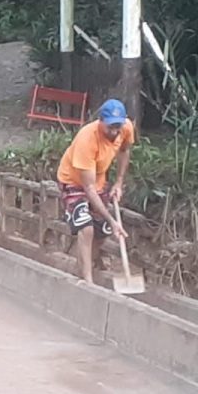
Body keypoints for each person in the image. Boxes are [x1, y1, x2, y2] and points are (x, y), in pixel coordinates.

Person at [56, 98, 135, 283]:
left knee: (102, 230)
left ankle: (82, 267)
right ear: (100, 121)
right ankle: (88, 282)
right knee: (86, 225)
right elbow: (88, 189)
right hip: (73, 180)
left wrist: (119, 182)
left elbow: (124, 151)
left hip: (98, 179)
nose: (115, 132)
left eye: (118, 126)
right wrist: (113, 220)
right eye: (110, 127)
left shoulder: (126, 127)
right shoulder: (87, 139)